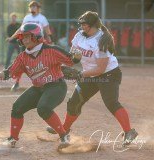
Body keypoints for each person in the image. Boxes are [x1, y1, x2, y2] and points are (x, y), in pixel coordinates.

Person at [46, 11, 138, 147]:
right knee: (74, 102)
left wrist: (80, 74)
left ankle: (129, 132)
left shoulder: (102, 40)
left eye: (84, 24)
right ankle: (64, 130)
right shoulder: (79, 36)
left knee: (111, 102)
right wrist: (65, 66)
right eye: (81, 23)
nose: (81, 26)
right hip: (89, 74)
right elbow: (72, 57)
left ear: (93, 25)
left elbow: (100, 69)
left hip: (108, 75)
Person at [0, 23, 81, 149]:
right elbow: (10, 71)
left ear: (37, 36)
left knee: (43, 108)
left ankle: (64, 136)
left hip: (56, 87)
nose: (24, 40)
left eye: (27, 37)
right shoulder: (23, 57)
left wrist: (77, 56)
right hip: (38, 88)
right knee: (17, 108)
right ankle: (12, 139)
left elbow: (71, 61)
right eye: (23, 37)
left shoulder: (51, 50)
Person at [7, 1, 53, 92]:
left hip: (38, 43)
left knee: (41, 63)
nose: (32, 8)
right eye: (31, 7)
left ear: (38, 8)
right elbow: (21, 30)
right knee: (22, 63)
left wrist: (51, 41)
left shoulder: (42, 18)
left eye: (34, 7)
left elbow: (47, 31)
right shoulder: (27, 17)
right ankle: (16, 83)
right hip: (27, 43)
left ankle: (46, 82)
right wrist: (12, 37)